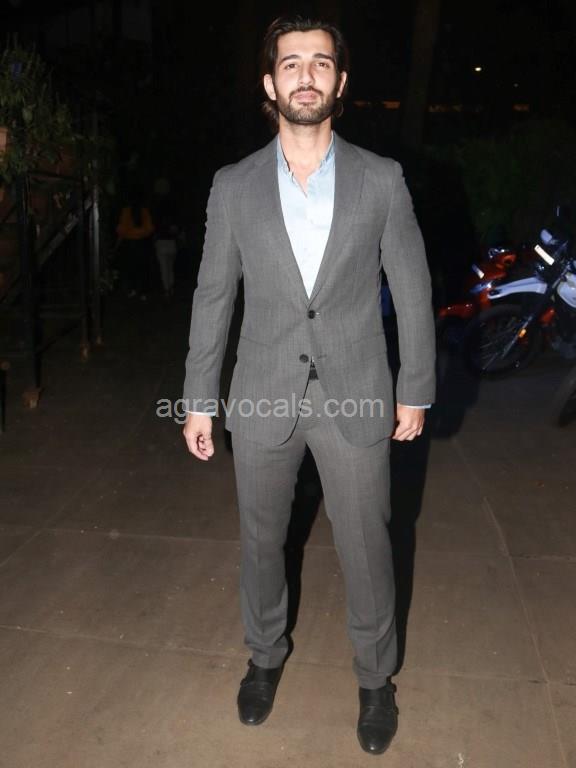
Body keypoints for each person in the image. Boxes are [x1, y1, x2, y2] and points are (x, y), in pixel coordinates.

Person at [182, 15, 435, 756]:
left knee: (367, 546)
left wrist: (415, 387)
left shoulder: (381, 179)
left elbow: (412, 288)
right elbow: (212, 296)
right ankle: (264, 657)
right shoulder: (233, 187)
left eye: (320, 63)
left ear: (340, 81)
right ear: (270, 83)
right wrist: (198, 400)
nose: (305, 75)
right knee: (262, 542)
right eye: (290, 63)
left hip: (358, 391)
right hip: (262, 390)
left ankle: (376, 679)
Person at [115, 193, 155, 300]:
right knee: (142, 267)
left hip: (129, 244)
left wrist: (120, 240)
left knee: (130, 267)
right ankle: (142, 291)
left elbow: (121, 229)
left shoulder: (126, 211)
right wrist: (141, 233)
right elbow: (149, 228)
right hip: (142, 243)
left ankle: (132, 289)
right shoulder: (144, 211)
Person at [154, 210, 179, 299]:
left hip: (162, 244)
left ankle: (167, 289)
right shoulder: (172, 220)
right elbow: (176, 232)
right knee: (170, 268)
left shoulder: (157, 221)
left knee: (164, 268)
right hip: (171, 244)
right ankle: (170, 287)